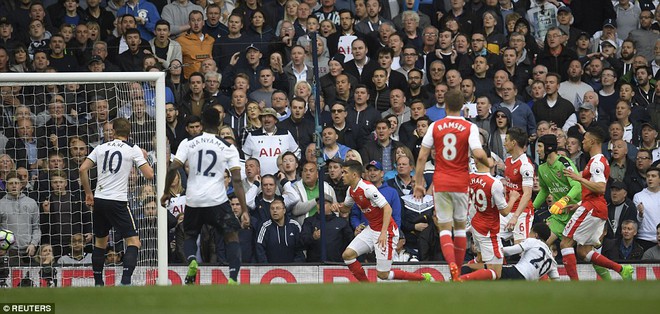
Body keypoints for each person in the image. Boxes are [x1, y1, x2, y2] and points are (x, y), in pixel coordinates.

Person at [160, 108, 249, 285]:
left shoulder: (188, 142)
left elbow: (172, 168)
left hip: (193, 199)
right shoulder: (228, 146)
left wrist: (164, 193)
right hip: (217, 200)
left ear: (202, 123)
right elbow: (237, 180)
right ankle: (232, 277)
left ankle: (192, 259)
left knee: (190, 235)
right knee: (231, 235)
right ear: (219, 123)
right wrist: (244, 209)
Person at [412, 89, 489, 280]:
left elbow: (422, 156)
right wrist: (489, 163)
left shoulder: (435, 126)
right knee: (460, 227)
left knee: (444, 228)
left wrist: (419, 183)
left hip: (441, 181)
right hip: (461, 182)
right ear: (463, 106)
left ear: (445, 106)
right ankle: (458, 272)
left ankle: (452, 265)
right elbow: (478, 153)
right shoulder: (469, 127)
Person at [79, 118, 154, 286]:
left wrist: (88, 193)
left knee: (100, 242)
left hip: (99, 199)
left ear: (113, 131)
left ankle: (98, 283)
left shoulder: (100, 147)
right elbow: (149, 175)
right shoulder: (133, 149)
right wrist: (143, 157)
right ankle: (125, 282)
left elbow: (82, 169)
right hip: (117, 201)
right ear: (130, 132)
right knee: (134, 242)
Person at [332, 160, 431, 282]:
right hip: (372, 228)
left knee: (383, 275)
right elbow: (346, 209)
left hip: (387, 231)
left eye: (345, 172)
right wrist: (338, 207)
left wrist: (384, 233)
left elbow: (387, 208)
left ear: (354, 175)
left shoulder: (367, 189)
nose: (342, 175)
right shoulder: (351, 190)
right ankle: (367, 287)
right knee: (347, 255)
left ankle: (423, 278)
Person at [559, 127, 634, 281]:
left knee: (565, 243)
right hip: (594, 207)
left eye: (585, 139)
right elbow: (594, 189)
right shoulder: (596, 161)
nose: (583, 142)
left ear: (592, 141)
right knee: (584, 251)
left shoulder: (596, 162)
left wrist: (578, 178)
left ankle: (574, 285)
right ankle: (621, 270)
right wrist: (579, 203)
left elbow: (601, 187)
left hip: (593, 207)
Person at [458, 148, 518, 281]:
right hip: (489, 230)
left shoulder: (470, 178)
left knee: (479, 259)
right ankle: (463, 278)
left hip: (476, 225)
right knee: (496, 273)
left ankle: (459, 272)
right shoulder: (494, 183)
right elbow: (504, 211)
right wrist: (513, 197)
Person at [533, 134, 582, 247]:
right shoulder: (542, 168)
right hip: (559, 216)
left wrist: (563, 201)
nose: (537, 150)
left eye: (540, 146)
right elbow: (545, 190)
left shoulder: (564, 163)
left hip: (577, 213)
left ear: (549, 148)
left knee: (583, 253)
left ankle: (617, 266)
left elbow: (577, 186)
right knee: (540, 245)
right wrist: (532, 207)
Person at [501, 127, 535, 245]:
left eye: (506, 140)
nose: (504, 143)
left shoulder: (525, 165)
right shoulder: (508, 161)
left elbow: (527, 194)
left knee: (521, 248)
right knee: (491, 240)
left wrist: (515, 217)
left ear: (513, 142)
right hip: (507, 210)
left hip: (521, 213)